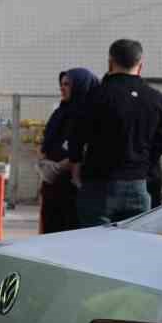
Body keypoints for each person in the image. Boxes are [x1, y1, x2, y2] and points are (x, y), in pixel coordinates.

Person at [71, 39, 162, 227]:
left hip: (99, 184)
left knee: (95, 246)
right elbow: (160, 142)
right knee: (132, 247)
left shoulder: (95, 96)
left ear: (110, 62)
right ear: (140, 66)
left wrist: (76, 167)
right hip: (138, 184)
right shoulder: (155, 98)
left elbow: (77, 135)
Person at [38, 68, 98, 234]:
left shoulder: (92, 115)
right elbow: (47, 142)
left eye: (67, 84)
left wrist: (63, 165)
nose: (62, 88)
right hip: (53, 186)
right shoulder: (60, 113)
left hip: (77, 189)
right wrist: (45, 163)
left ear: (80, 86)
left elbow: (89, 148)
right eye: (62, 84)